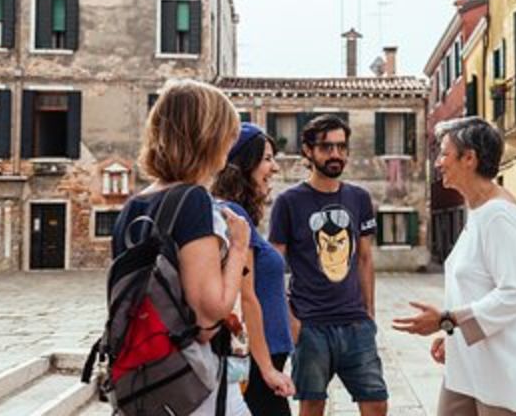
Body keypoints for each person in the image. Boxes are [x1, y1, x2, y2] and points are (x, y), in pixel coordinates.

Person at [392, 117, 516, 416]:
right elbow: (480, 285)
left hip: (505, 373)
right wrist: (453, 332)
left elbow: (515, 293)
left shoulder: (498, 216)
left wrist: (447, 320)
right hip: (472, 365)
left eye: (444, 153)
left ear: (469, 158)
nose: (438, 162)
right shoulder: (479, 211)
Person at [111, 79, 249, 415]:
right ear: (208, 136)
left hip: (143, 377)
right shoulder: (193, 200)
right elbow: (207, 314)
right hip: (192, 385)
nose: (231, 145)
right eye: (228, 134)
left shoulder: (133, 206)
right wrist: (239, 248)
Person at [269, 115, 388, 416]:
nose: (335, 154)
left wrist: (369, 312)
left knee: (376, 402)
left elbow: (364, 258)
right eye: (326, 147)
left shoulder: (358, 198)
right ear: (308, 151)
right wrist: (291, 318)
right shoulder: (288, 202)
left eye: (341, 147)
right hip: (311, 326)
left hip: (355, 324)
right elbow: (274, 264)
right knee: (312, 406)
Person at [212, 122, 296, 415]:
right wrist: (268, 369)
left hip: (265, 356)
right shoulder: (235, 216)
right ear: (243, 164)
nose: (274, 168)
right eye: (267, 158)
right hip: (258, 362)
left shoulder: (237, 213)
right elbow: (246, 299)